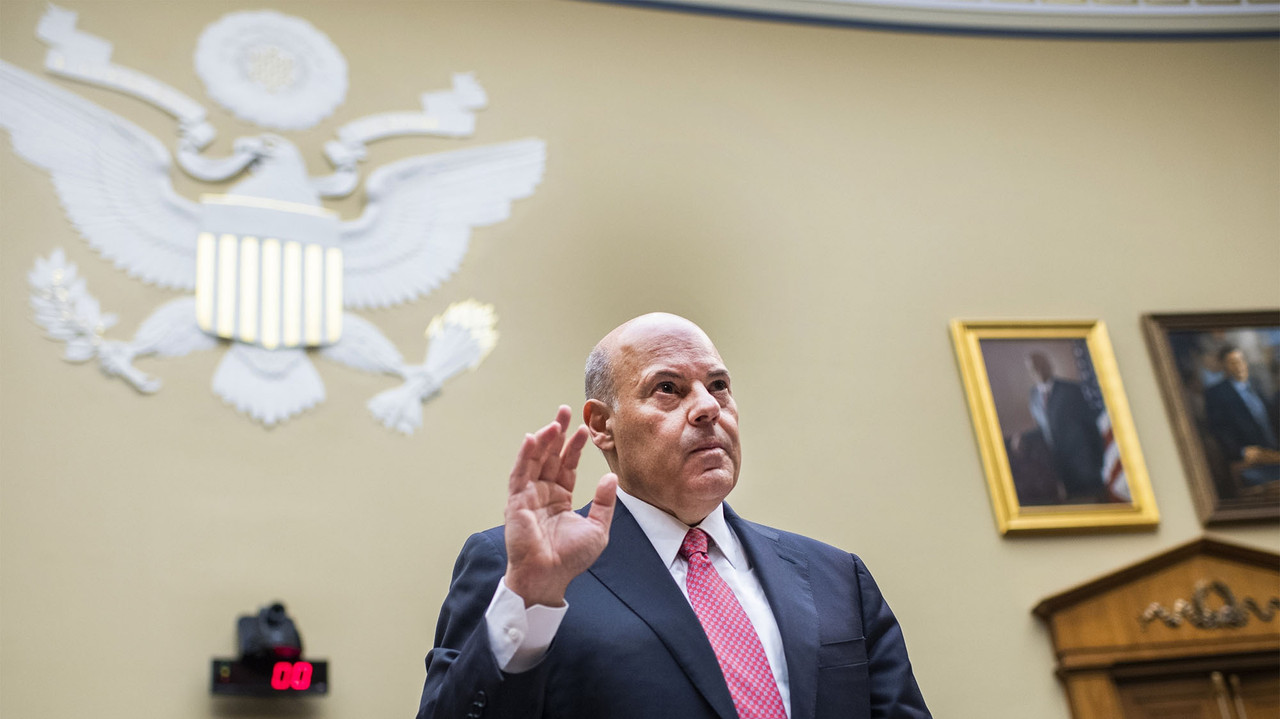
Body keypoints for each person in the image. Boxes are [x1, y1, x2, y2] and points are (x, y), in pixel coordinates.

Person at [415, 313, 930, 719]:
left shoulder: (835, 577)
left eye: (719, 385)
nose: (708, 407)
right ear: (602, 425)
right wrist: (529, 603)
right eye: (669, 388)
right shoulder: (522, 571)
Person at [1024, 352, 1109, 504]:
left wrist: (1099, 461)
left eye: (1042, 364)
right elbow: (1044, 428)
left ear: (1049, 366)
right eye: (1034, 367)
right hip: (1061, 468)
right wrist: (1022, 438)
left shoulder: (1071, 390)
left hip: (1084, 464)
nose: (1039, 370)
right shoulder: (1034, 396)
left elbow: (1091, 425)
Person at [1204, 345, 1280, 487]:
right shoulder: (1216, 393)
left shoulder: (1256, 385)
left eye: (1241, 360)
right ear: (1224, 367)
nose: (1239, 366)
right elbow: (1219, 429)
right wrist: (1241, 452)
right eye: (1233, 362)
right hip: (1250, 460)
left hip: (1273, 451)